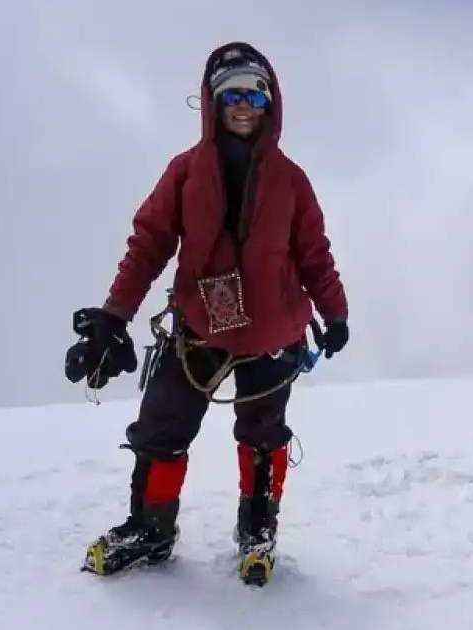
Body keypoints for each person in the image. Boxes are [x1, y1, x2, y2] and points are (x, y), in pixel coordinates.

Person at [65, 42, 349, 583]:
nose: (244, 106)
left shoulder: (292, 181)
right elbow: (149, 244)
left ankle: (257, 533)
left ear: (270, 104)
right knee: (162, 427)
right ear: (213, 103)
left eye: (255, 96)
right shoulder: (184, 172)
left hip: (273, 336)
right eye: (232, 95)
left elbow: (314, 253)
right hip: (198, 329)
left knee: (263, 437)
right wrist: (114, 315)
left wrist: (334, 312)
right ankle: (151, 531)